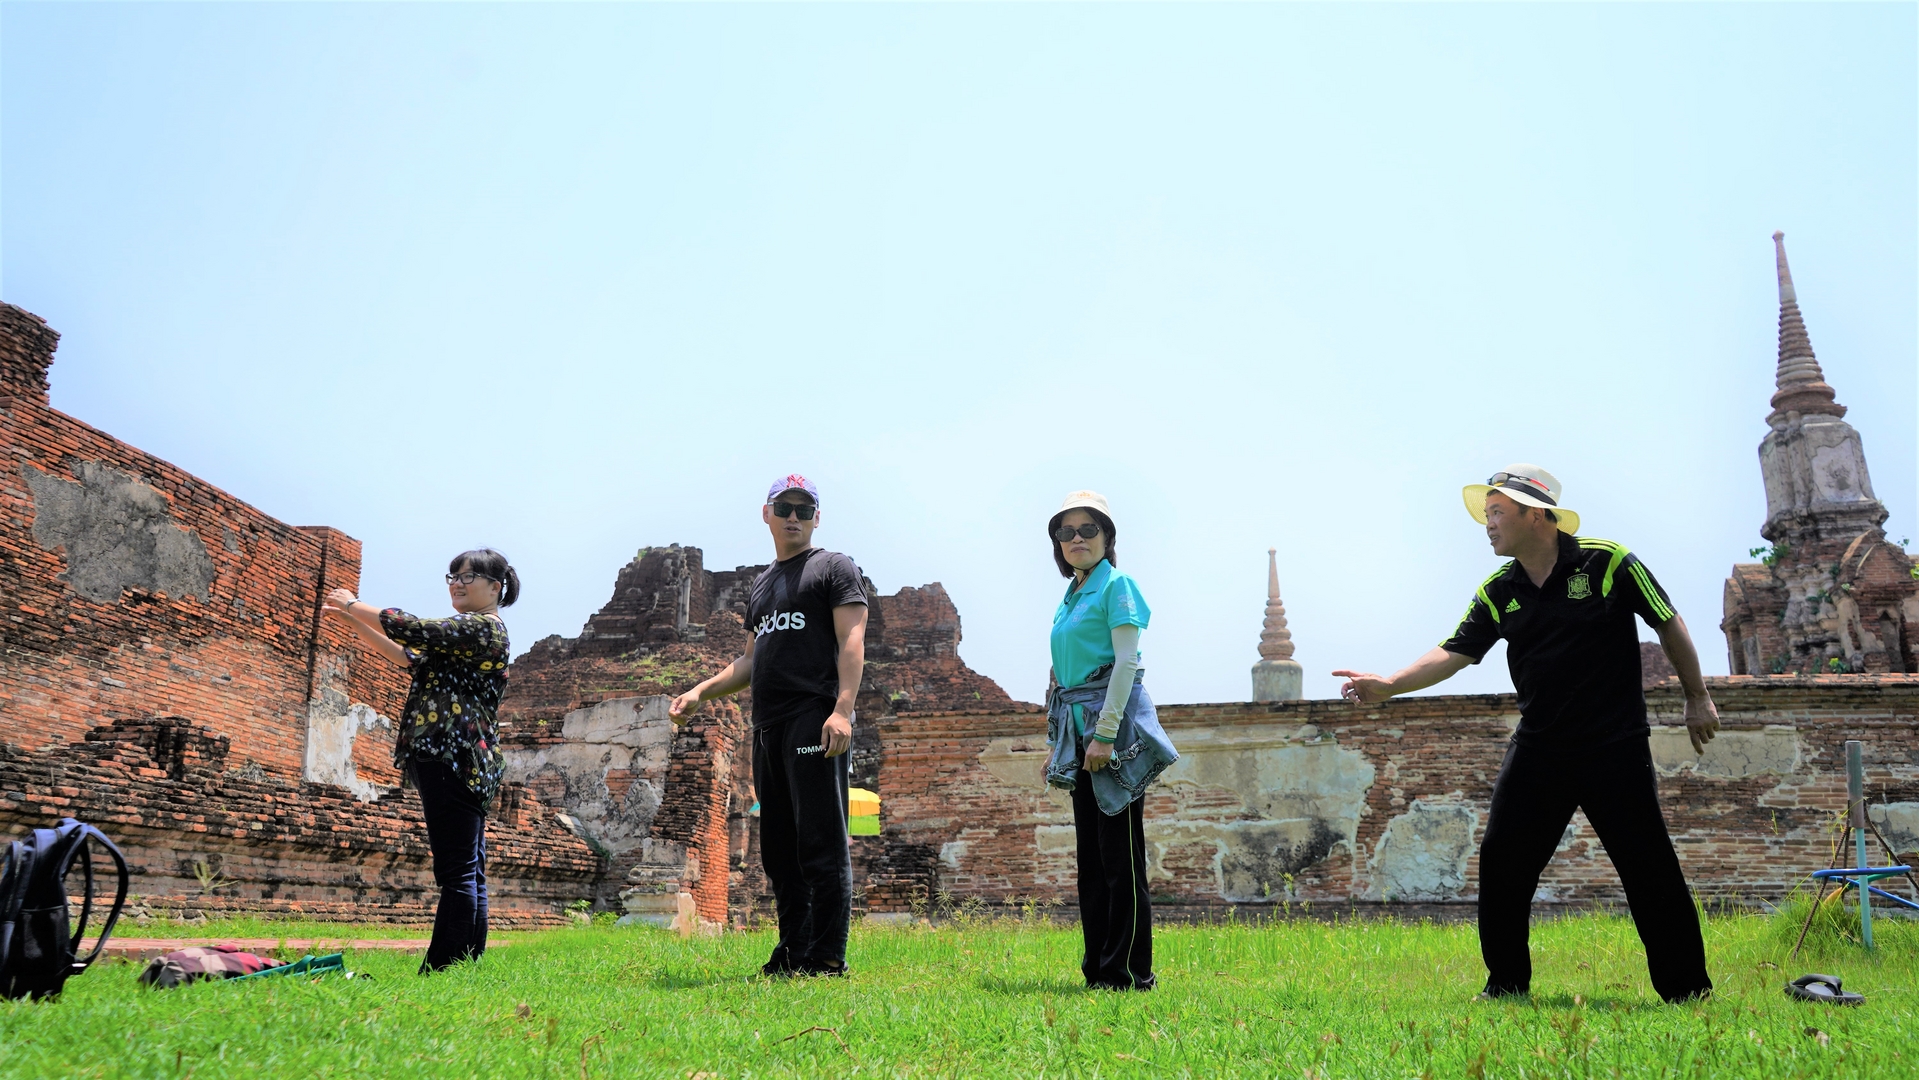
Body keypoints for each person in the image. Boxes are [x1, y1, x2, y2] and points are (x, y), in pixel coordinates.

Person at [1333, 465, 1719, 1003]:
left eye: (1497, 512)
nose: (1488, 524)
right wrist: (1391, 684)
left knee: (1647, 864)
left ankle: (1687, 990)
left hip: (1614, 745)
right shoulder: (1499, 591)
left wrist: (1696, 695)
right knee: (1502, 860)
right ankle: (1506, 984)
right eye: (1486, 513)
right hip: (1540, 748)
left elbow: (1666, 620)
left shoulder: (1608, 563)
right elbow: (1455, 651)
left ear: (1535, 514)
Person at [670, 475, 867, 976]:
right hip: (768, 725)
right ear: (767, 514)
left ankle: (827, 957)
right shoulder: (762, 586)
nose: (793, 517)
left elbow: (852, 638)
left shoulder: (833, 567)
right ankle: (793, 950)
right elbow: (750, 660)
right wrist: (700, 691)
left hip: (813, 717)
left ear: (817, 517)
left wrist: (842, 710)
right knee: (779, 849)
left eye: (804, 508)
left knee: (821, 841)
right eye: (784, 508)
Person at [323, 548, 518, 973]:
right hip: (466, 757)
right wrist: (354, 621)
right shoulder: (469, 638)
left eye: (467, 576)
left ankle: (442, 968)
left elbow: (413, 628)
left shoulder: (482, 628)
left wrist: (354, 605)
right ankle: (465, 963)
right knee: (468, 868)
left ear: (494, 587)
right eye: (452, 577)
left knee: (457, 871)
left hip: (453, 754)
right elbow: (407, 655)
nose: (457, 584)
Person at [1042, 491, 1178, 992]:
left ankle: (1130, 973)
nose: (1076, 539)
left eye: (1088, 529)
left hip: (1111, 731)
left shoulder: (1116, 585)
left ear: (1107, 536)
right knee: (1092, 861)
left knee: (1121, 857)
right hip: (1077, 732)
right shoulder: (1073, 595)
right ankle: (1098, 969)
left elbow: (1126, 664)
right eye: (1066, 532)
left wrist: (1103, 736)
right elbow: (1062, 676)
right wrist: (1059, 744)